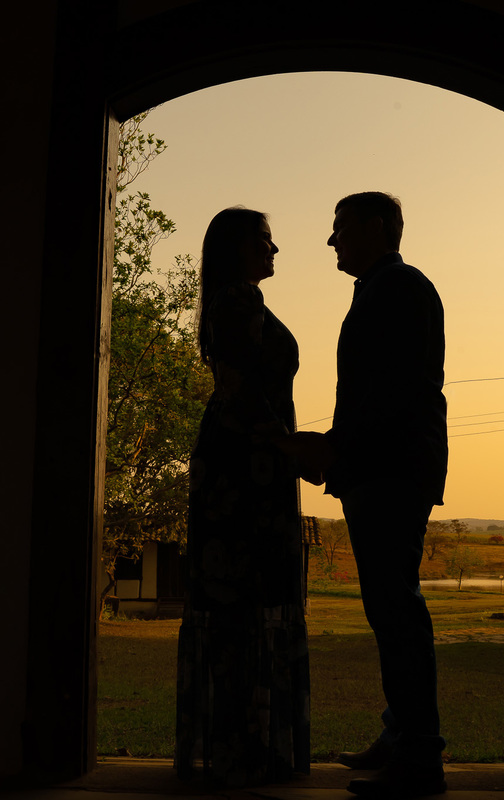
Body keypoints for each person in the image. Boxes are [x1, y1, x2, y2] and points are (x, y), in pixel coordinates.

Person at [287, 192, 448, 798]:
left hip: (393, 469)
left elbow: (390, 393)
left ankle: (419, 756)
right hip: (385, 466)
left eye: (341, 227)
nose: (332, 241)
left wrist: (332, 448)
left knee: (395, 609)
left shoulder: (399, 288)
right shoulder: (384, 290)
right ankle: (400, 734)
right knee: (388, 608)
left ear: (378, 227)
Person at [174, 207, 311, 788]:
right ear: (235, 248)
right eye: (263, 240)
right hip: (246, 470)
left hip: (245, 464)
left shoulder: (232, 300)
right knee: (247, 601)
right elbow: (240, 389)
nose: (274, 250)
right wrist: (287, 445)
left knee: (240, 606)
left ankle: (239, 744)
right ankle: (244, 747)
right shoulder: (240, 300)